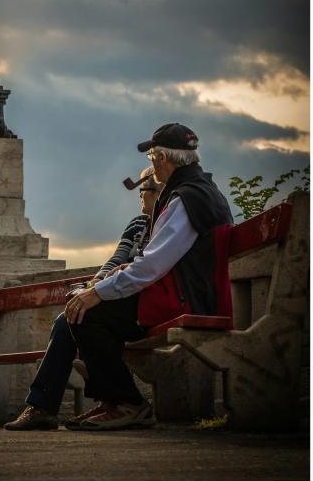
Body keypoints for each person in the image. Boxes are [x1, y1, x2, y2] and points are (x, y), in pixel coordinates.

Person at [64, 122, 233, 430]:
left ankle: (127, 403)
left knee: (87, 313)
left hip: (186, 300)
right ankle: (114, 402)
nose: (152, 164)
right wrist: (111, 282)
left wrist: (97, 292)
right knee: (90, 310)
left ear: (162, 159)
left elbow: (152, 265)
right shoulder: (199, 191)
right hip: (193, 294)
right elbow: (158, 260)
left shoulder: (184, 198)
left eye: (152, 156)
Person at [4, 167, 162, 431]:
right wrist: (95, 283)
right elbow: (117, 258)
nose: (140, 196)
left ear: (160, 192)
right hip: (118, 299)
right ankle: (43, 407)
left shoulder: (167, 224)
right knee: (67, 319)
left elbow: (147, 267)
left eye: (144, 190)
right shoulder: (137, 224)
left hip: (140, 305)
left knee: (80, 316)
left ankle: (121, 402)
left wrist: (101, 289)